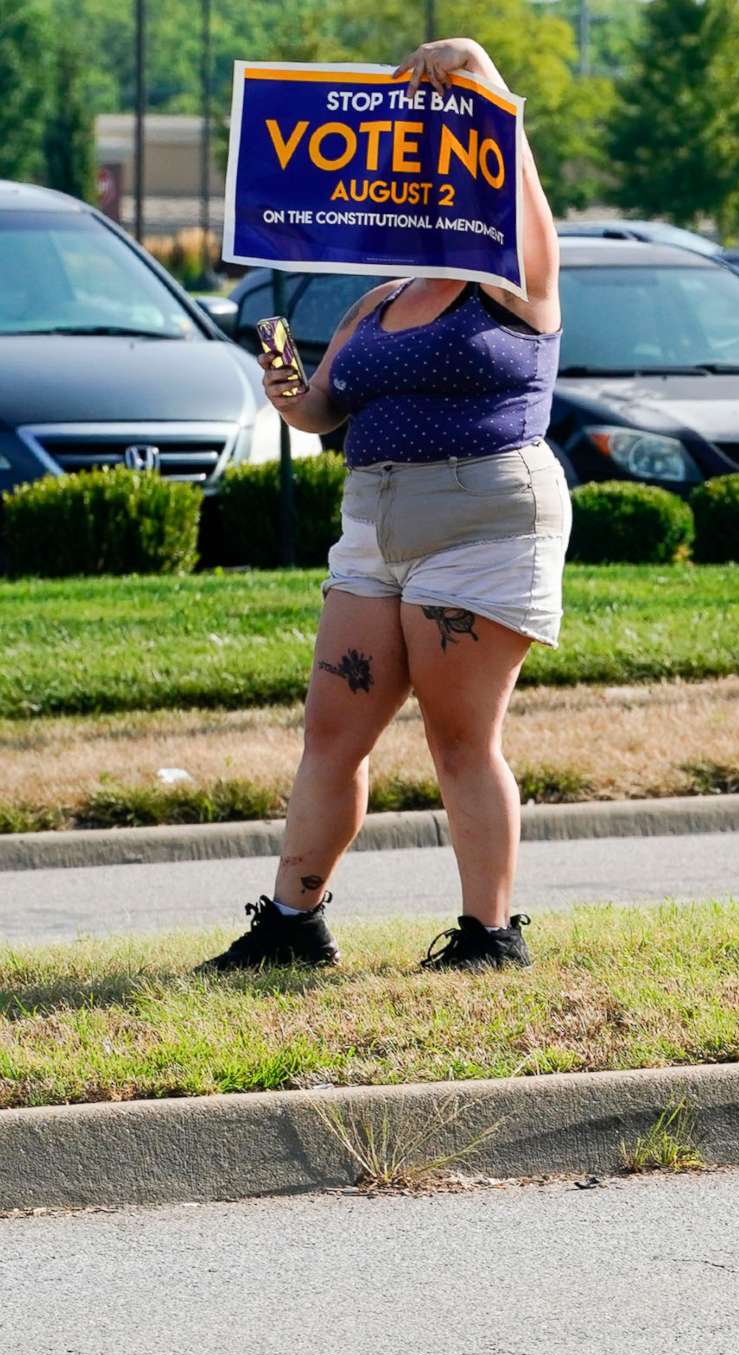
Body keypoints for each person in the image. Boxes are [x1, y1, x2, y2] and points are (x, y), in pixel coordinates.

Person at [202, 37, 566, 976]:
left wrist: (481, 80)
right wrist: (282, 372)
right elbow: (321, 408)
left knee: (458, 738)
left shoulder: (509, 286)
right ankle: (291, 924)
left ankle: (490, 935)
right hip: (371, 519)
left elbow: (525, 199)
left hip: (482, 515)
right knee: (333, 731)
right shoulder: (379, 300)